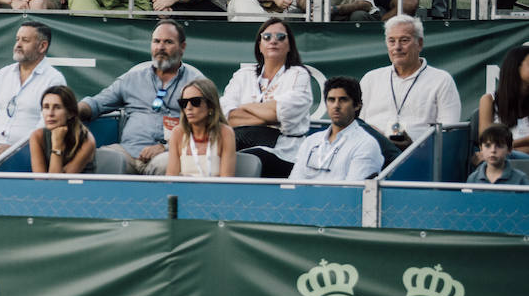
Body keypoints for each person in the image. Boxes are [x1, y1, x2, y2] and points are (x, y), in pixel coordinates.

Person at [79, 19, 202, 174]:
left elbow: (206, 127)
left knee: (167, 163)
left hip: (169, 152)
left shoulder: (196, 82)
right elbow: (97, 104)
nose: (161, 47)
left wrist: (165, 147)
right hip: (128, 151)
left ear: (182, 47)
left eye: (168, 42)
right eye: (156, 41)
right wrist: (72, 110)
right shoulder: (133, 78)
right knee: (102, 157)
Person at [219, 17, 314, 176]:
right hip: (241, 140)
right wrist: (269, 117)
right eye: (267, 37)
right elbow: (226, 117)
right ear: (259, 45)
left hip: (285, 149)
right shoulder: (243, 75)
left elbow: (284, 113)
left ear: (290, 45)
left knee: (249, 159)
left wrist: (244, 107)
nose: (273, 41)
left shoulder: (298, 74)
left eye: (281, 37)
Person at [359, 14, 462, 146]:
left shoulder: (441, 80)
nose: (397, 47)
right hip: (372, 153)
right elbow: (357, 125)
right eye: (392, 41)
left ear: (419, 44)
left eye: (404, 40)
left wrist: (414, 145)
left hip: (420, 156)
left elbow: (448, 132)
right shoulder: (371, 79)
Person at [0, 21, 68, 154]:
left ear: (42, 46)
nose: (18, 45)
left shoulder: (54, 79)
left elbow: (46, 125)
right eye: (17, 39)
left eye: (25, 40)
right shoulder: (2, 74)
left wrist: (15, 150)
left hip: (29, 153)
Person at [288, 75, 385, 181]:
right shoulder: (310, 141)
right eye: (331, 100)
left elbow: (353, 192)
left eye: (343, 100)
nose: (336, 106)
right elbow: (293, 184)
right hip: (304, 197)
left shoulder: (366, 144)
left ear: (357, 105)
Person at [165, 76, 236, 176]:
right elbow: (171, 180)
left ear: (211, 105)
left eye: (195, 102)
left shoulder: (225, 133)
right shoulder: (178, 133)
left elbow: (226, 181)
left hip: (216, 191)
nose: (188, 108)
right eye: (184, 103)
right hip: (184, 191)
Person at [29, 84, 95, 173]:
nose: (50, 113)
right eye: (46, 107)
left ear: (70, 113)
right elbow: (40, 181)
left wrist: (57, 146)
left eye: (57, 107)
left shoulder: (87, 141)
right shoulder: (37, 136)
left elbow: (57, 183)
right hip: (47, 186)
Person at [478, 45, 529, 159]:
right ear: (516, 67)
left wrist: (506, 147)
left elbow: (492, 149)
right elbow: (486, 146)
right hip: (503, 164)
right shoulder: (489, 100)